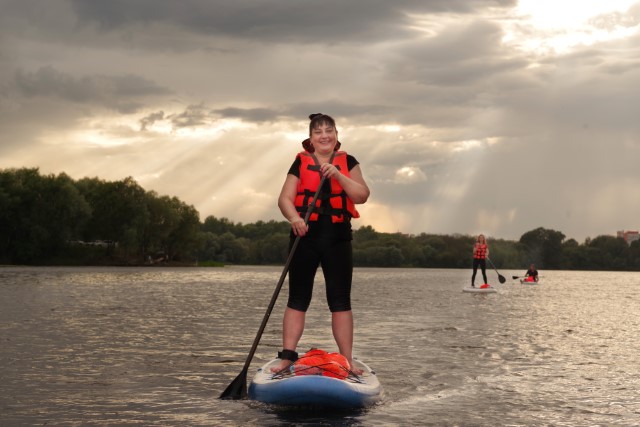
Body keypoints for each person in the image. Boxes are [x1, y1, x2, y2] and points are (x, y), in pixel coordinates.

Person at [272, 113, 370, 374]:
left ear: (337, 136)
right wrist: (295, 218)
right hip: (305, 237)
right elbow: (285, 199)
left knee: (340, 301)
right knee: (297, 298)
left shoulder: (347, 161)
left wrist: (338, 175)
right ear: (311, 139)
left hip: (337, 238)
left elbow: (361, 195)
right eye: (318, 132)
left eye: (329, 131)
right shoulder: (300, 162)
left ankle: (346, 360)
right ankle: (288, 357)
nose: (324, 135)